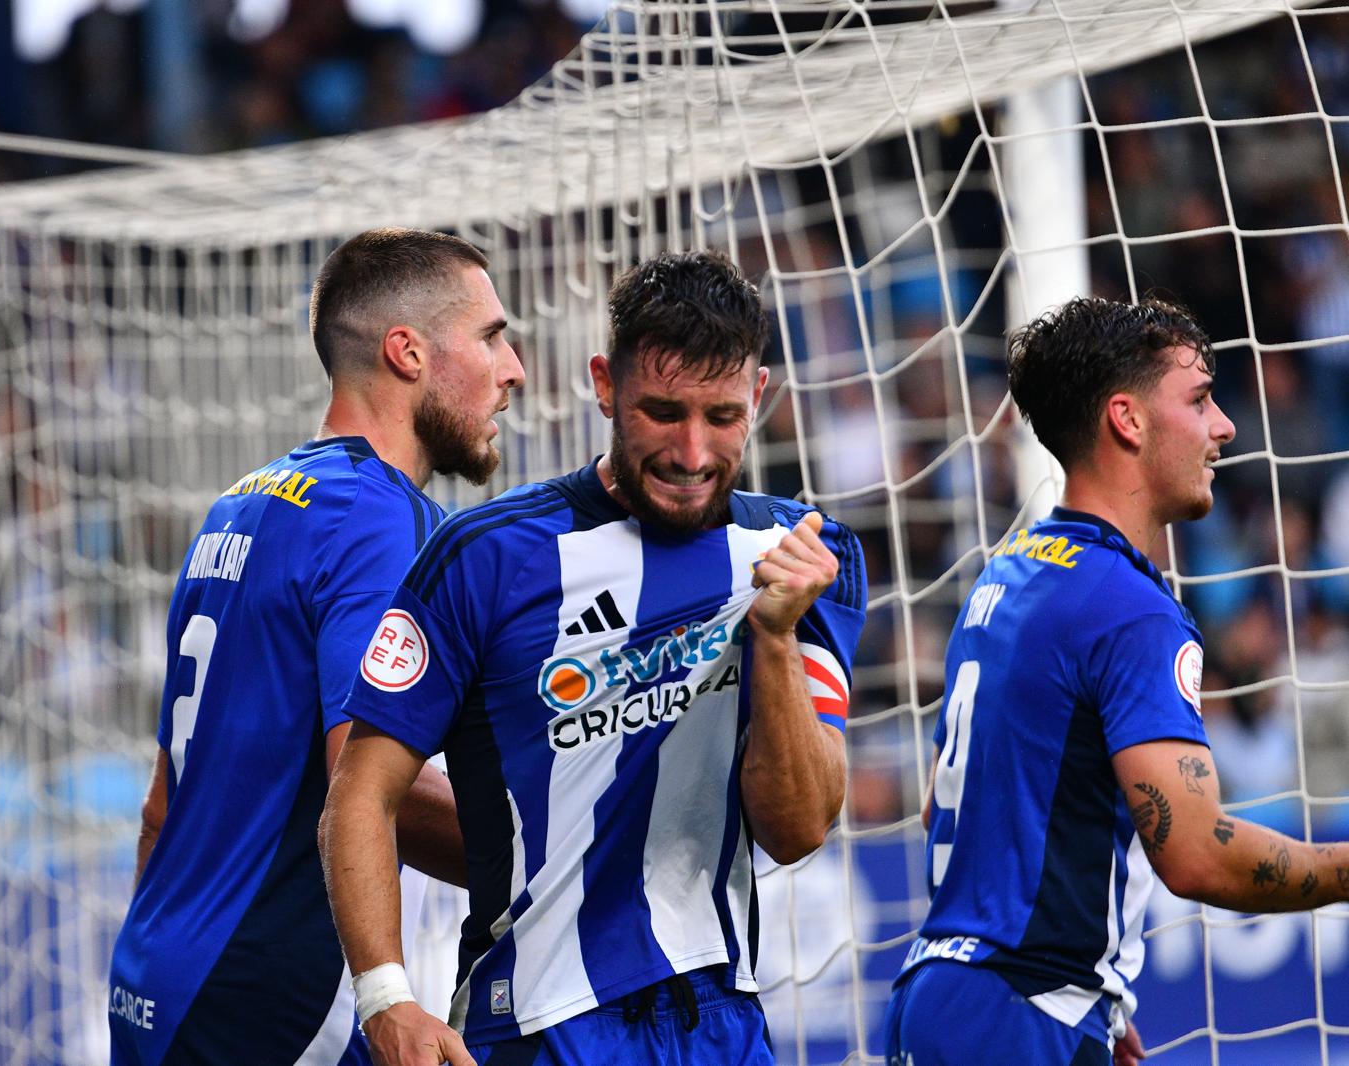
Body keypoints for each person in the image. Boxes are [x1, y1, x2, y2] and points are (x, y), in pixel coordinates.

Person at [320, 250, 868, 1066]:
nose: (691, 454)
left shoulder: (802, 553)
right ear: (604, 385)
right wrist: (386, 997)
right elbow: (359, 795)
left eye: (720, 417)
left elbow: (794, 830)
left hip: (720, 1023)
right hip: (536, 1022)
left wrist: (775, 637)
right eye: (661, 412)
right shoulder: (483, 558)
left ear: (757, 396)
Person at [885, 297, 1349, 1066]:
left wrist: (1088, 993)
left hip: (947, 995)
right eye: (1199, 400)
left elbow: (954, 798)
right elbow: (1196, 853)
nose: (1224, 427)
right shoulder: (1129, 608)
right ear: (1128, 421)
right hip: (1018, 1013)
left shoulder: (1008, 574)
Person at [107, 227, 525, 1066]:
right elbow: (371, 787)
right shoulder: (378, 519)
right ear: (407, 352)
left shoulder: (238, 504)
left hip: (153, 973)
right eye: (491, 337)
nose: (513, 369)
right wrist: (553, 856)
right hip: (272, 997)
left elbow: (162, 803)